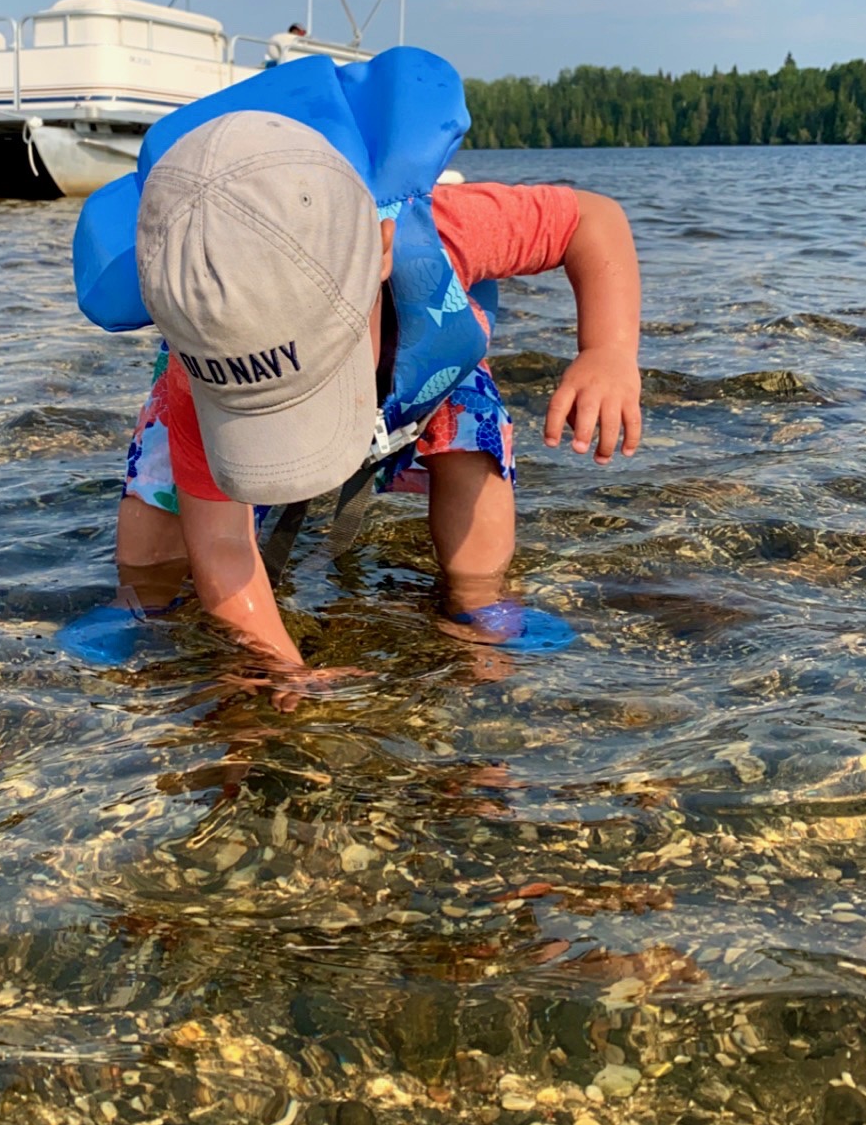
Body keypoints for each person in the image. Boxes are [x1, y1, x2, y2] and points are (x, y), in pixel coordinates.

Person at [72, 50, 641, 681]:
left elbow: (593, 220)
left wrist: (607, 352)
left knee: (472, 428)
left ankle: (478, 600)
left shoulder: (449, 232)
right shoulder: (196, 373)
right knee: (156, 532)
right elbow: (223, 545)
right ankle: (143, 607)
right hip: (223, 408)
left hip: (421, 381)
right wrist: (282, 670)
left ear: (383, 248)